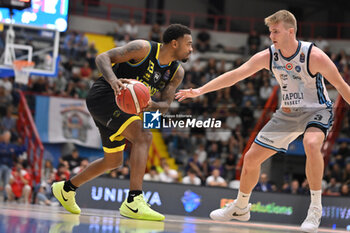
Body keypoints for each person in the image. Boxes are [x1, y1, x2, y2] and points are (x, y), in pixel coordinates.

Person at [175, 10, 350, 232]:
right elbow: (237, 74)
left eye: (275, 31)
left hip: (316, 110)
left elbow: (342, 87)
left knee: (312, 144)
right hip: (287, 114)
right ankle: (241, 207)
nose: (271, 36)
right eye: (270, 32)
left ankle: (315, 209)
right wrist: (200, 90)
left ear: (290, 31)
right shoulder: (270, 55)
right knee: (250, 159)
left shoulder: (314, 56)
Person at [52, 24, 192, 221]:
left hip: (125, 108)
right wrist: (113, 81)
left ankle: (66, 188)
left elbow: (166, 105)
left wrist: (153, 105)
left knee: (114, 161)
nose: (191, 49)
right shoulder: (144, 48)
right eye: (189, 44)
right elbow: (102, 57)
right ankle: (134, 200)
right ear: (175, 43)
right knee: (144, 136)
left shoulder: (177, 72)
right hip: (104, 96)